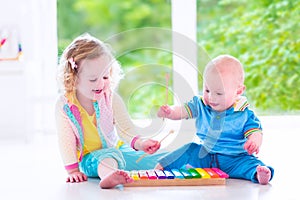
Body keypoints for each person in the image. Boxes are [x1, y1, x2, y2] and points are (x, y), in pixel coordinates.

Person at [55, 33, 165, 189]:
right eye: (93, 79)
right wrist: (73, 170)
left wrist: (141, 143)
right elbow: (66, 141)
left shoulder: (111, 98)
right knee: (107, 157)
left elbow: (125, 129)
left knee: (160, 159)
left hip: (116, 149)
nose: (101, 83)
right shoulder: (65, 106)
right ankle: (109, 176)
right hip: (89, 159)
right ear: (73, 77)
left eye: (105, 77)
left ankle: (192, 161)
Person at [156, 54, 274, 185]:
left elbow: (255, 132)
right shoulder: (200, 105)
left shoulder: (244, 113)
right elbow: (181, 111)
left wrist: (254, 141)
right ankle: (160, 168)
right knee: (188, 149)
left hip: (235, 159)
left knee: (251, 164)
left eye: (219, 93)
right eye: (207, 90)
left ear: (238, 91)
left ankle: (259, 175)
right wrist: (169, 112)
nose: (211, 97)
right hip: (206, 155)